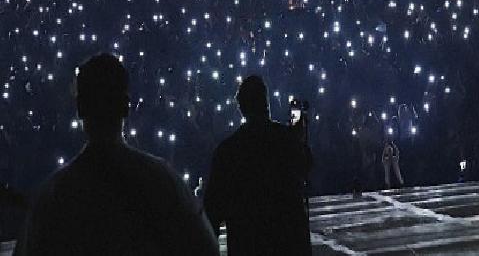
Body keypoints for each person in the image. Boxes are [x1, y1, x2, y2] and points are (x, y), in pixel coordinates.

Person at [15, 54, 219, 255]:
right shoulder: (162, 181)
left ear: (79, 108)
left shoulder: (53, 195)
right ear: (126, 105)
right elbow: (205, 247)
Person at [204, 75, 312, 256]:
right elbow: (306, 167)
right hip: (287, 241)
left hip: (247, 242)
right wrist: (300, 137)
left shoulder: (228, 150)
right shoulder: (286, 139)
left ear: (241, 108)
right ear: (266, 103)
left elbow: (213, 207)